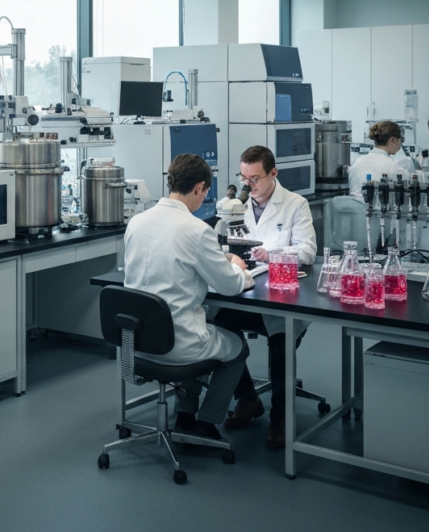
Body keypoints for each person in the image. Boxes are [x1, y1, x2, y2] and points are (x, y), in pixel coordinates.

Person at [124, 153, 252, 443]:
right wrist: (238, 267)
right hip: (178, 345)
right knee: (237, 347)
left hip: (136, 341)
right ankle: (207, 423)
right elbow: (230, 285)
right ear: (199, 188)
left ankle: (185, 413)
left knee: (200, 327)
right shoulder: (196, 230)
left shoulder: (137, 222)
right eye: (205, 193)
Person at [212, 146, 316, 449]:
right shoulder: (237, 207)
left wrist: (272, 254)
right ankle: (248, 399)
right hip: (247, 290)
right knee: (218, 327)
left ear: (273, 174)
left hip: (284, 295)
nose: (248, 185)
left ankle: (280, 418)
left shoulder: (295, 204)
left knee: (280, 343)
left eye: (255, 179)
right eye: (244, 178)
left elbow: (308, 251)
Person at [348, 121, 410, 200]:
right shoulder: (393, 168)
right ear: (393, 140)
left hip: (355, 207)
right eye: (401, 140)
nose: (401, 144)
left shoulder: (357, 163)